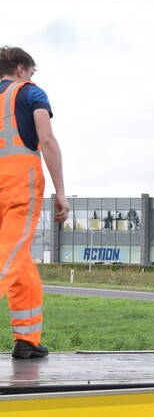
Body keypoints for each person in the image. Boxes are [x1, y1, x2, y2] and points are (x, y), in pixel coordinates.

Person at [0, 47, 68, 358]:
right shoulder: (31, 94)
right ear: (22, 68)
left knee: (21, 260)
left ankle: (27, 339)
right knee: (9, 258)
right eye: (31, 72)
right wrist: (61, 191)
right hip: (19, 187)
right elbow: (48, 140)